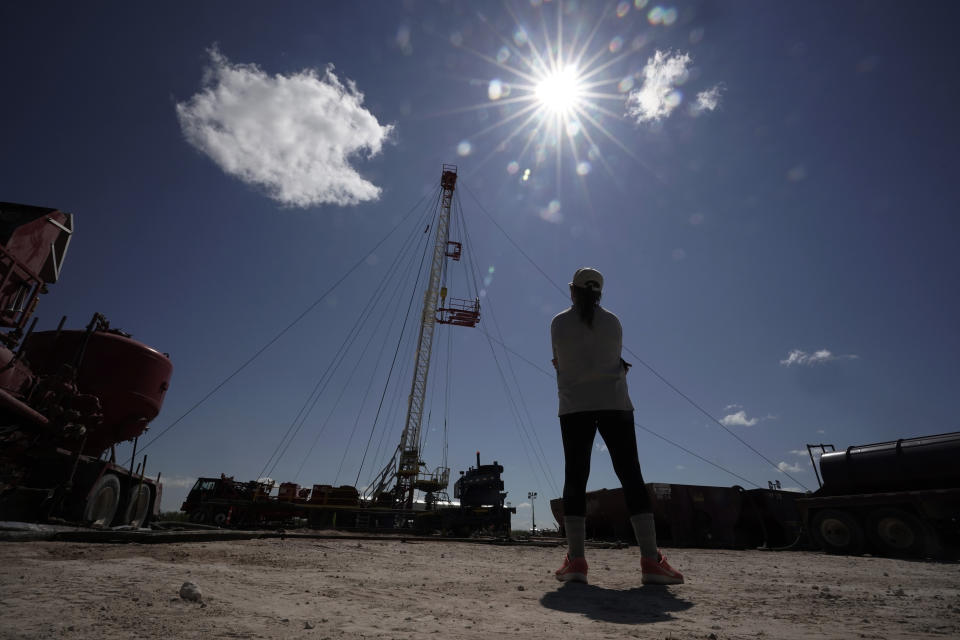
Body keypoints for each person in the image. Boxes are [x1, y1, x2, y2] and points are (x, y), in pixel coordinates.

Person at [551, 267, 683, 585]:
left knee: (575, 477)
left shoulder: (557, 322)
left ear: (573, 290)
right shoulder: (613, 322)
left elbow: (559, 361)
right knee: (630, 475)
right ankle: (651, 561)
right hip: (615, 405)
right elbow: (612, 359)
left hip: (574, 407)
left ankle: (577, 562)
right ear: (599, 293)